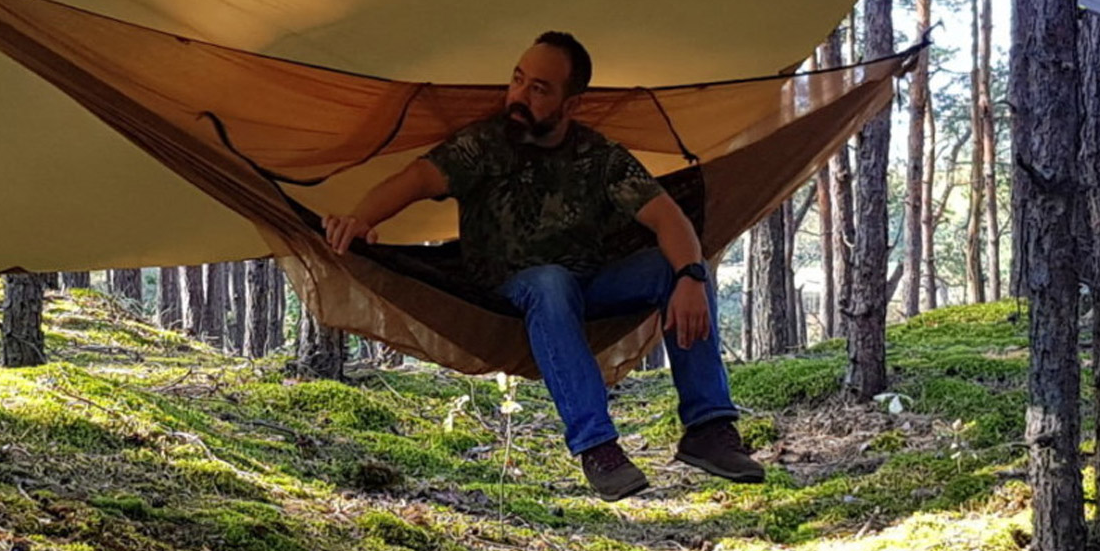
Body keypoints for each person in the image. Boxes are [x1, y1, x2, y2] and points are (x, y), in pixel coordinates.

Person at [320, 32, 766, 500]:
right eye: (517, 80)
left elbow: (669, 218)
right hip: (503, 293)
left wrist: (691, 278)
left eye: (539, 89)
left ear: (570, 105)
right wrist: (360, 220)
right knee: (550, 283)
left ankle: (709, 429)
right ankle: (598, 446)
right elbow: (412, 180)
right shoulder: (482, 145)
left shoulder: (598, 155)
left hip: (588, 285)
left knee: (672, 267)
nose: (519, 96)